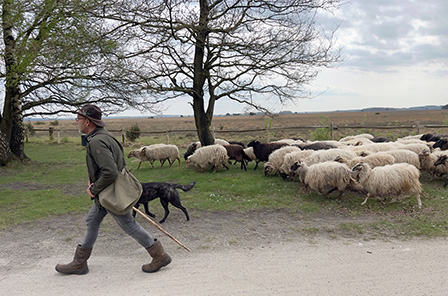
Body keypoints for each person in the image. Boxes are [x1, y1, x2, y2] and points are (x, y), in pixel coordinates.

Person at [55, 104, 171, 275]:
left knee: (128, 224)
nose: (76, 122)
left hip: (111, 193)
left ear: (87, 122)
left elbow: (110, 171)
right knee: (92, 221)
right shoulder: (105, 136)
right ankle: (79, 263)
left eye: (78, 119)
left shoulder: (96, 141)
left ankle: (159, 255)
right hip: (107, 193)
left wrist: (94, 189)